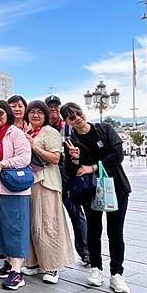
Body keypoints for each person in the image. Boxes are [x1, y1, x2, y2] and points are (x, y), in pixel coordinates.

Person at [62, 102, 132, 293]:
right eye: (71, 117)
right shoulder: (71, 141)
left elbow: (118, 154)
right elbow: (72, 170)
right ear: (67, 121)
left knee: (115, 231)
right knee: (94, 229)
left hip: (116, 187)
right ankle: (96, 268)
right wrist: (75, 159)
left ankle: (117, 274)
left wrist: (93, 167)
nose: (77, 118)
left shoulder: (105, 129)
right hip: (90, 190)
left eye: (78, 113)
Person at [22, 100, 74, 284]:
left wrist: (34, 146)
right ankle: (34, 262)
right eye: (32, 112)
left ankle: (52, 266)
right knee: (34, 225)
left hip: (47, 183)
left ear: (45, 115)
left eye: (40, 112)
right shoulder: (28, 131)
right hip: (31, 183)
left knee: (48, 224)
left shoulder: (49, 132)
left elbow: (55, 158)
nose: (35, 115)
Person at [0, 100, 32, 290]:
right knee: (2, 228)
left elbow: (25, 158)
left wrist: (3, 164)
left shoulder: (15, 133)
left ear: (8, 115)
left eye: (0, 113)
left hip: (14, 189)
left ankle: (17, 272)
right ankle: (10, 264)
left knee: (15, 228)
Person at [46, 95, 90, 265]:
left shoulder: (68, 127)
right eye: (50, 108)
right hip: (49, 172)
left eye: (56, 108)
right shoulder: (43, 127)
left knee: (74, 210)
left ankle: (85, 250)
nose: (53, 110)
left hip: (67, 172)